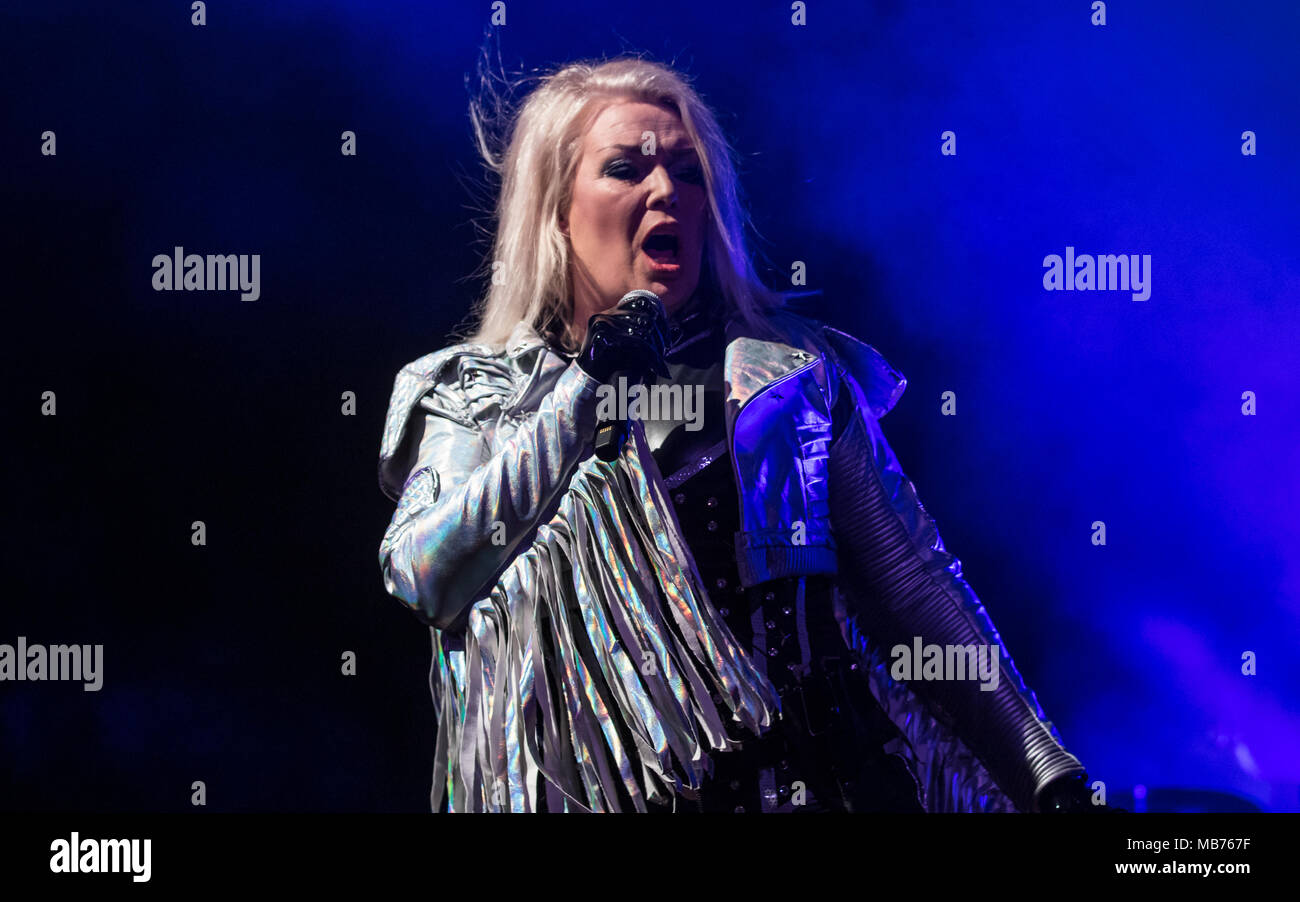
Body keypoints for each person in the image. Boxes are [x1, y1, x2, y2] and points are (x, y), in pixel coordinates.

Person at [376, 55, 1099, 813]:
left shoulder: (784, 371)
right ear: (556, 208)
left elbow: (912, 587)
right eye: (625, 169)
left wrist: (1048, 777)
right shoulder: (471, 392)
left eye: (690, 174)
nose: (667, 193)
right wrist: (586, 390)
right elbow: (423, 572)